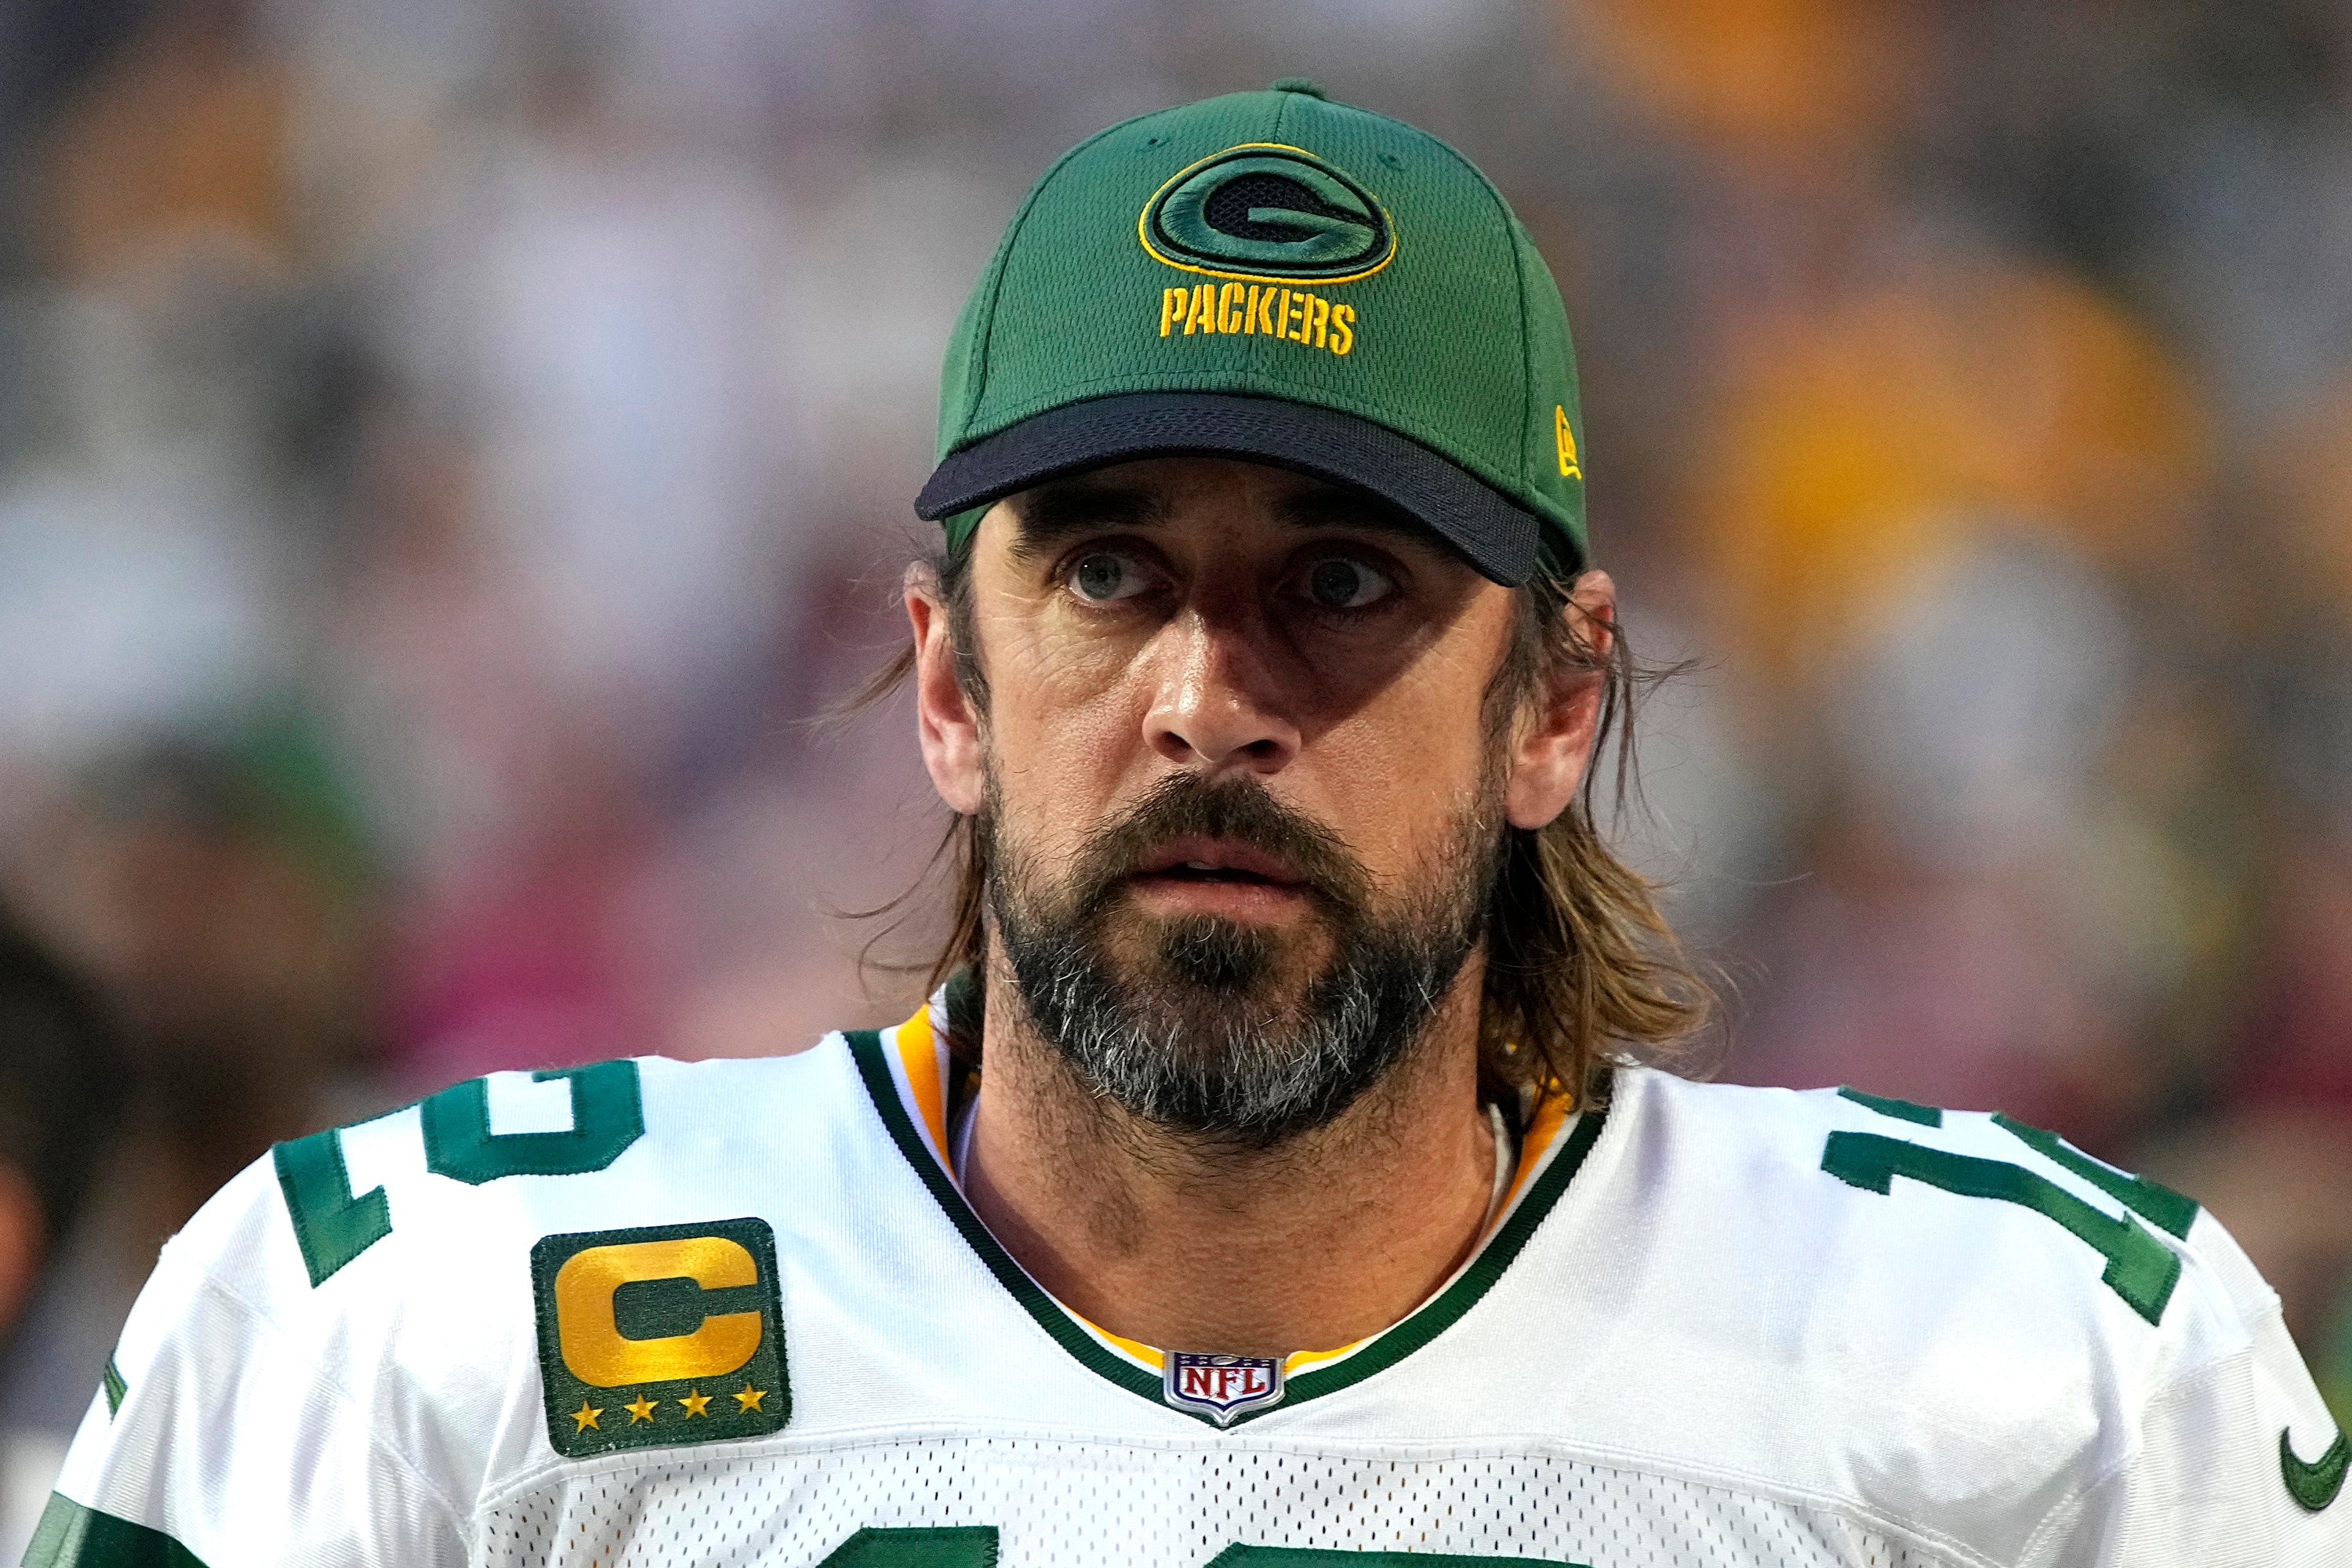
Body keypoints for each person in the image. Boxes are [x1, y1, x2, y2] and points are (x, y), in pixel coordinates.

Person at [27, 82, 2348, 1568]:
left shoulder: (2038, 1366)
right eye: (1112, 571)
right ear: (948, 678)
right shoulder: (410, 1317)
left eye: (1342, 583)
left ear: (1556, 701)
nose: (1209, 698)